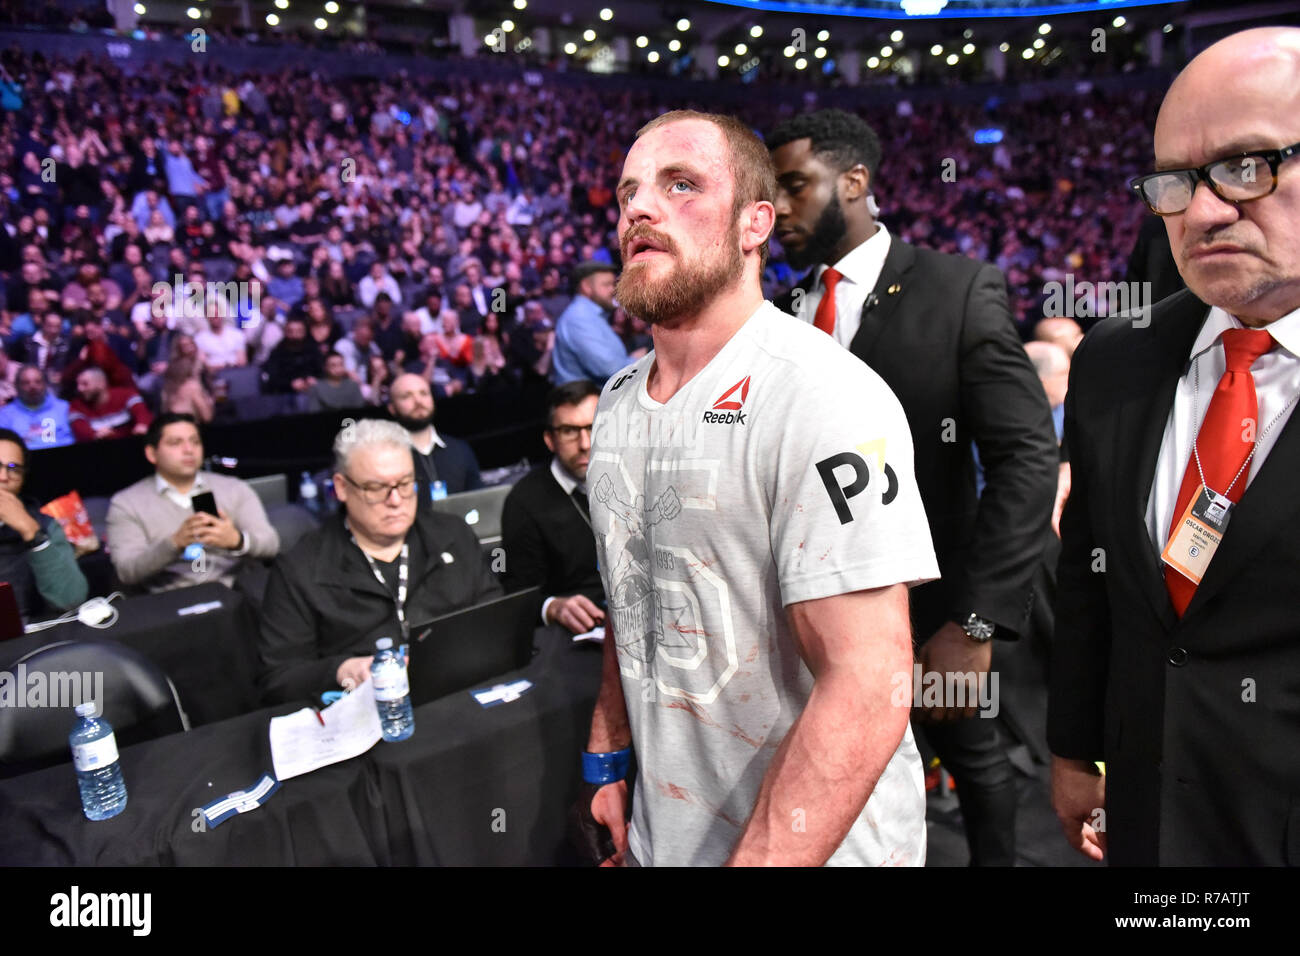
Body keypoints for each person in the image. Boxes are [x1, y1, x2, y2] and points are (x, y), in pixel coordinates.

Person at [580, 110, 938, 867]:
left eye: (681, 185)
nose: (640, 208)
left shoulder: (825, 396)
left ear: (755, 224)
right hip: (666, 834)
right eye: (628, 193)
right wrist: (610, 752)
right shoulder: (613, 401)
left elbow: (870, 683)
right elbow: (630, 586)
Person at [769, 109, 1059, 866]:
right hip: (814, 620)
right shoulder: (777, 315)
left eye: (795, 186)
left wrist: (975, 624)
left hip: (938, 615)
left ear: (855, 181)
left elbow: (1027, 458)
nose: (777, 209)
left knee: (976, 762)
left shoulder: (958, 290)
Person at [1049, 27, 1300, 866]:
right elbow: (1091, 580)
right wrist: (1074, 748)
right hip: (1150, 819)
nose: (1201, 211)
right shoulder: (1117, 358)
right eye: (1172, 182)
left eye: (1246, 167)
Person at [257, 419, 501, 705]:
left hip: (458, 694)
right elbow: (277, 679)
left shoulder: (453, 535)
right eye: (376, 488)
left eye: (405, 483)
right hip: (366, 713)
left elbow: (494, 616)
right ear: (342, 487)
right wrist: (342, 670)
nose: (396, 500)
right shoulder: (300, 569)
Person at [105, 413, 279, 593]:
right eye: (175, 443)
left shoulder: (234, 488)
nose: (189, 449)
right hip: (167, 601)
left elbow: (271, 545)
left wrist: (236, 540)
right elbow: (127, 571)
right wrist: (174, 543)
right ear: (152, 453)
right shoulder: (126, 503)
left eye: (195, 442)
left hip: (233, 593)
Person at [501, 380, 605, 633]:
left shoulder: (633, 476)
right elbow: (513, 593)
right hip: (574, 632)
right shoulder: (524, 501)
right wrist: (554, 607)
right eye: (570, 431)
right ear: (550, 439)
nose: (585, 443)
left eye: (594, 427)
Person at [0, 427, 88, 621]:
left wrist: (31, 532)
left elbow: (71, 599)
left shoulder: (43, 524)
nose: (4, 477)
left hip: (24, 633)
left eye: (14, 469)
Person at [387, 373, 483, 504]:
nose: (418, 401)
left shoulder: (460, 450)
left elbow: (480, 502)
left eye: (424, 393)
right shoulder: (385, 458)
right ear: (392, 408)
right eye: (406, 396)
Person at [552, 261, 631, 386]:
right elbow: (610, 368)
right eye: (607, 285)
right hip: (586, 402)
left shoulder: (592, 315)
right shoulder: (579, 318)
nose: (613, 290)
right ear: (586, 287)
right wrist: (643, 360)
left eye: (613, 284)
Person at [68, 367, 152, 442]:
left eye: (85, 384)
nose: (79, 389)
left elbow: (142, 412)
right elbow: (80, 430)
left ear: (101, 383)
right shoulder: (76, 406)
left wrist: (142, 424)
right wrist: (95, 435)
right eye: (78, 385)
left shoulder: (126, 395)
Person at [0, 364, 73, 448]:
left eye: (38, 382)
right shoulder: (4, 415)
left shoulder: (64, 409)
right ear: (17, 386)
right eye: (26, 383)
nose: (32, 386)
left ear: (45, 385)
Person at [262, 316, 323, 396]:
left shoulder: (313, 349)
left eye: (299, 331)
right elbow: (272, 379)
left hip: (314, 392)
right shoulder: (277, 353)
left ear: (305, 332)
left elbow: (323, 371)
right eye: (290, 331)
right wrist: (290, 384)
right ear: (285, 332)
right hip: (285, 395)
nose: (295, 335)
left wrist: (315, 379)